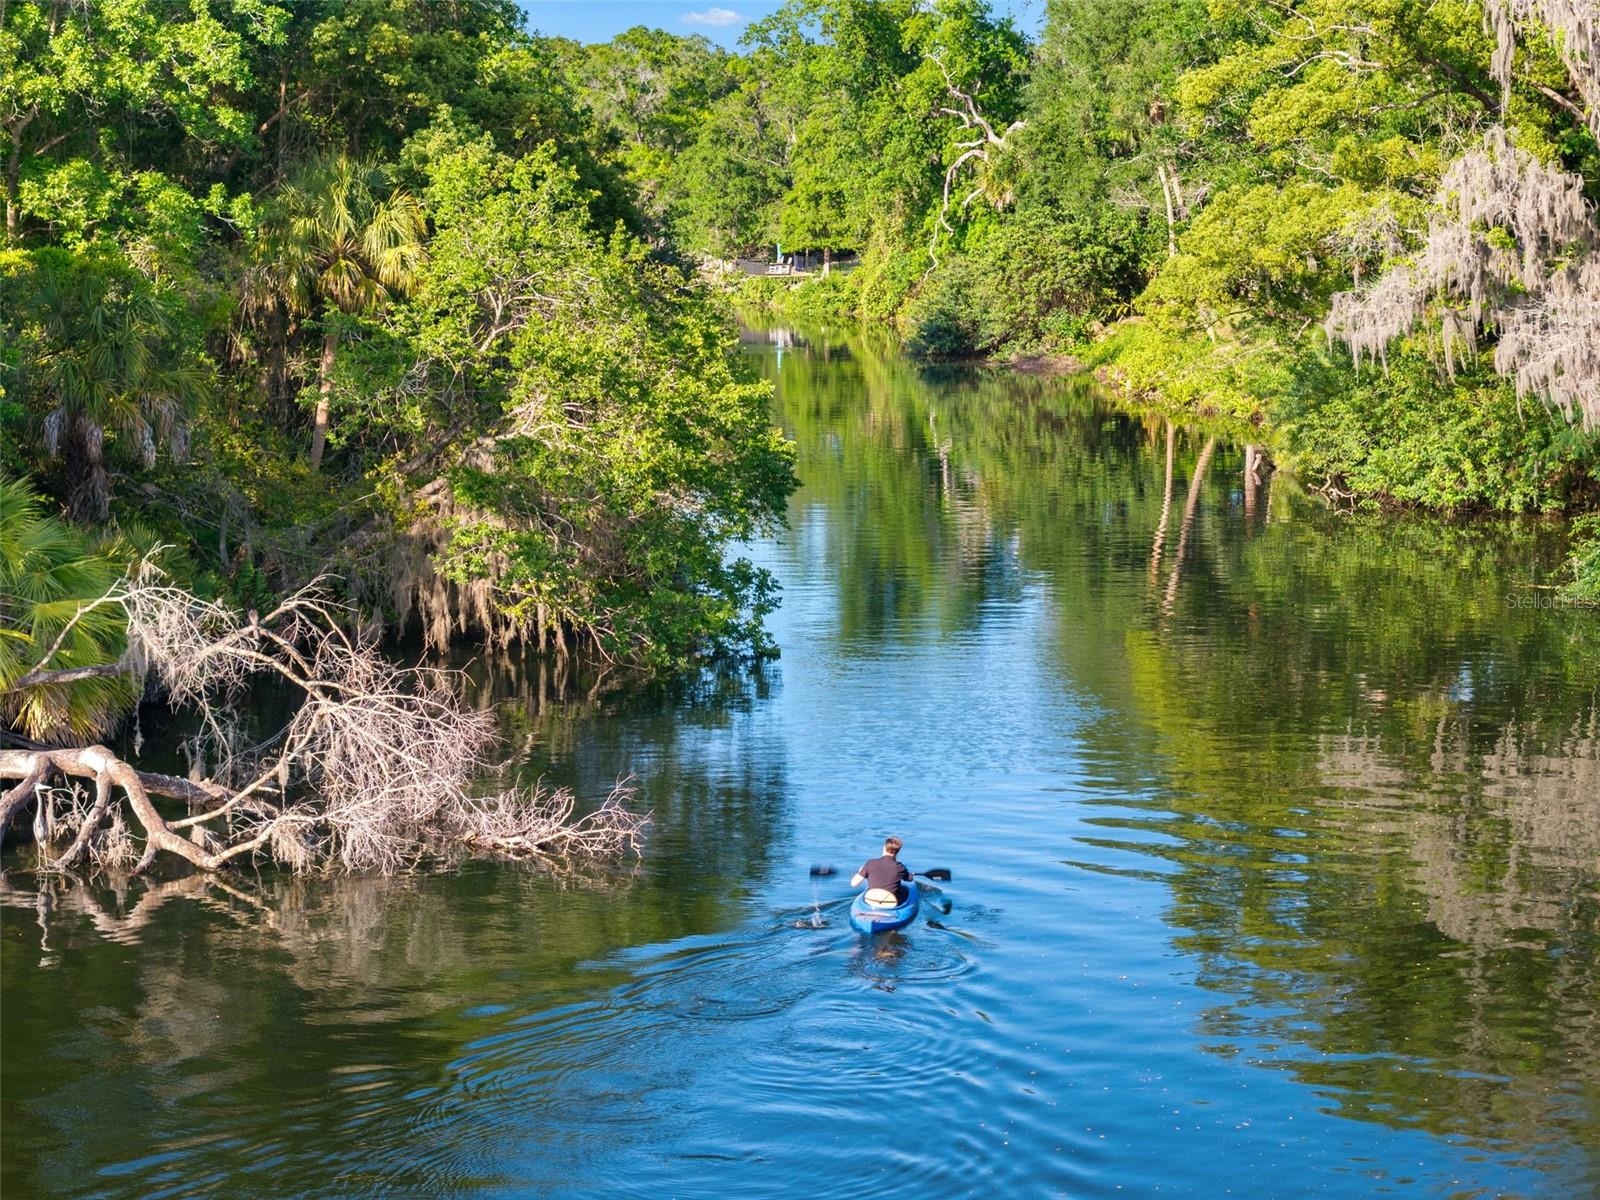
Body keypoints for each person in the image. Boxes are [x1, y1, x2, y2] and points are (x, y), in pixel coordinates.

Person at [852, 836, 912, 906]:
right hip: (890, 903)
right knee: (905, 890)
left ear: (884, 848)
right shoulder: (900, 867)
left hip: (870, 901)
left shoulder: (870, 863)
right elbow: (909, 879)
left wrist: (861, 871)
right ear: (898, 851)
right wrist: (909, 874)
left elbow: (853, 884)